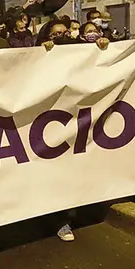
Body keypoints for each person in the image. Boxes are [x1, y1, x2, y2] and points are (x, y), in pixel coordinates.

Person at [38, 18, 110, 240]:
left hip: (77, 119)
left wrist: (102, 47)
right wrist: (40, 53)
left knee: (74, 167)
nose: (61, 37)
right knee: (55, 170)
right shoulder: (39, 55)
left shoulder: (80, 52)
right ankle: (60, 219)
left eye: (64, 33)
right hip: (51, 122)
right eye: (54, 34)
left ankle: (69, 212)